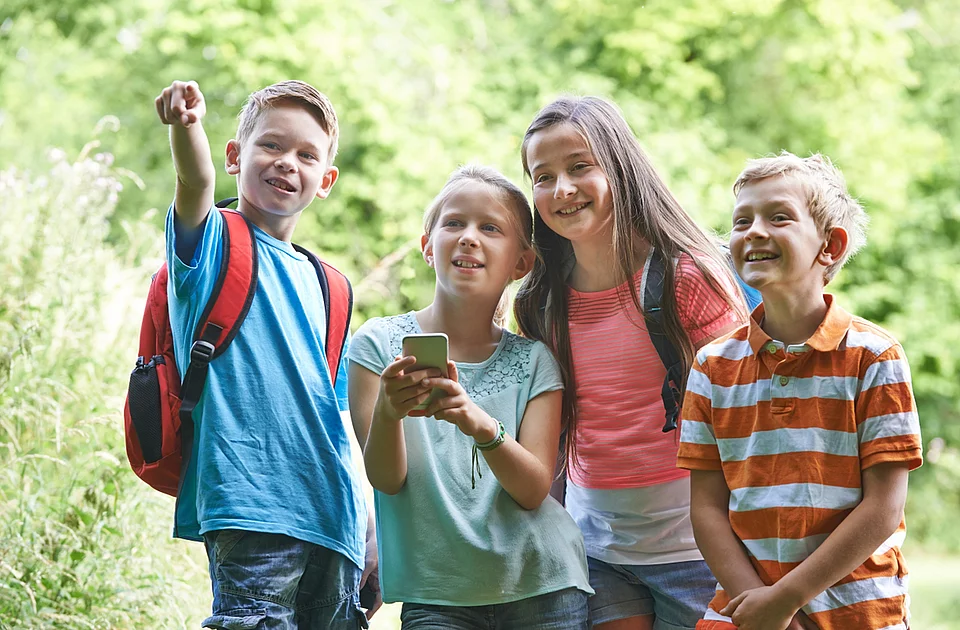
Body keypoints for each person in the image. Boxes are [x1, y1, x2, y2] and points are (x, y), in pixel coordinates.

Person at [514, 96, 748, 630]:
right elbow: (552, 431)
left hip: (698, 550)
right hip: (597, 552)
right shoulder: (541, 300)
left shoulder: (685, 278)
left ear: (619, 166)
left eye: (579, 167)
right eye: (542, 176)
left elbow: (745, 416)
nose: (561, 190)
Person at [154, 79, 374, 628]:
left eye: (306, 154)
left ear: (326, 181)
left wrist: (371, 529)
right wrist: (187, 128)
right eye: (271, 145)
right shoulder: (209, 247)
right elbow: (193, 180)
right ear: (235, 156)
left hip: (335, 520)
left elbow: (343, 420)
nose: (286, 163)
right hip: (251, 507)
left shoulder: (332, 287)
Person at [677, 152, 923, 630]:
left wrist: (787, 597)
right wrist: (760, 605)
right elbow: (706, 507)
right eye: (741, 220)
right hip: (746, 610)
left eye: (779, 217)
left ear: (829, 246)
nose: (753, 231)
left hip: (858, 612)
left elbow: (883, 508)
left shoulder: (874, 357)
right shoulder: (711, 366)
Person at [347, 165, 594, 629]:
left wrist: (479, 423)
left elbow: (533, 489)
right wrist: (388, 412)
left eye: (490, 228)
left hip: (544, 586)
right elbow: (387, 479)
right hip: (438, 596)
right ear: (427, 245)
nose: (468, 237)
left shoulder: (535, 361)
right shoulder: (378, 345)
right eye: (454, 223)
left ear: (521, 263)